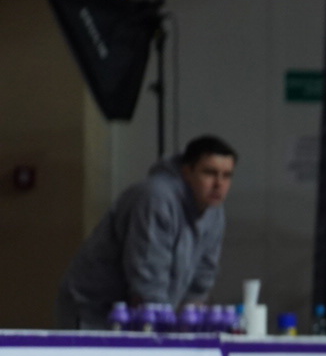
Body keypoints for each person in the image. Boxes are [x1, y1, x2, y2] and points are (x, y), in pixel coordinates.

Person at [56, 134, 235, 329]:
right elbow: (146, 278)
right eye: (209, 173)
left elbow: (203, 277)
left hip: (141, 313)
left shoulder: (214, 212)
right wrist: (164, 326)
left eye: (227, 175)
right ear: (187, 171)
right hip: (93, 310)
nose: (219, 184)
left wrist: (189, 321)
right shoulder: (156, 198)